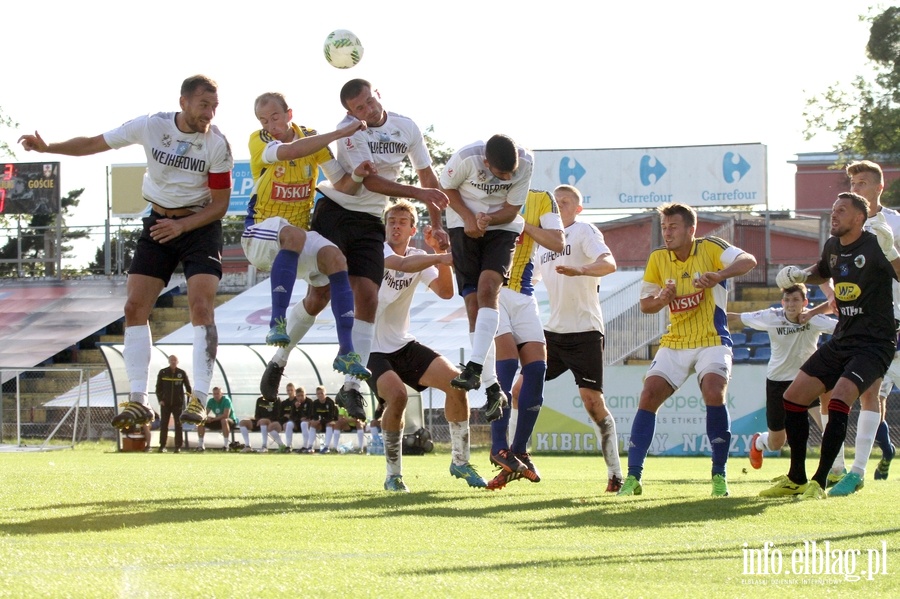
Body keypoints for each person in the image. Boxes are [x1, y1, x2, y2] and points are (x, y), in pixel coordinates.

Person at [19, 75, 234, 431]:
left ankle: (198, 396)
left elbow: (221, 205)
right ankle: (138, 400)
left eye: (214, 107)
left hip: (198, 226)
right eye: (203, 105)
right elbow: (93, 143)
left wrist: (183, 226)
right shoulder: (151, 126)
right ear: (183, 102)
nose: (209, 113)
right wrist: (47, 148)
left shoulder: (217, 144)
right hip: (158, 222)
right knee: (134, 307)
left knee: (201, 306)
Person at [309, 79, 450, 423]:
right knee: (320, 294)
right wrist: (420, 197)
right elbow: (370, 183)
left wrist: (438, 224)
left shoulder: (406, 127)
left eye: (369, 102)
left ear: (378, 96)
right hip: (337, 209)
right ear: (349, 112)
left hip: (368, 218)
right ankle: (280, 357)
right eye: (359, 108)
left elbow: (427, 176)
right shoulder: (349, 130)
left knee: (367, 297)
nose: (367, 111)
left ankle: (352, 385)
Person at [762, 192, 900, 499]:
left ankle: (820, 480)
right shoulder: (833, 246)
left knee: (839, 399)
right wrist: (801, 275)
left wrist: (891, 250)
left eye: (841, 210)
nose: (833, 215)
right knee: (793, 398)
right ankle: (796, 477)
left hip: (874, 343)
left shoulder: (876, 243)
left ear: (859, 218)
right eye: (832, 209)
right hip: (843, 339)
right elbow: (822, 270)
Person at [245, 93, 378, 407]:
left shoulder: (313, 140)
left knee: (335, 260)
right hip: (260, 236)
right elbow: (291, 150)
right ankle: (277, 320)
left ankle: (343, 353)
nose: (270, 125)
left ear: (289, 113)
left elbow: (342, 184)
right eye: (264, 120)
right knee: (292, 233)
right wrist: (338, 134)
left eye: (275, 117)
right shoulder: (259, 140)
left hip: (296, 239)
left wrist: (358, 174)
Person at [618, 203, 757, 497]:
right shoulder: (658, 257)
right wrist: (661, 298)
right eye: (665, 227)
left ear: (691, 229)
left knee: (713, 391)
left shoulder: (710, 247)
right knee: (649, 394)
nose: (667, 233)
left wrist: (719, 275)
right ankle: (633, 478)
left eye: (673, 227)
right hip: (675, 342)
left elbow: (749, 260)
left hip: (712, 339)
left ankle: (719, 476)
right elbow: (646, 305)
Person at [368, 199, 486, 491]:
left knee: (457, 384)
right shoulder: (376, 250)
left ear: (413, 229)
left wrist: (437, 253)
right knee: (397, 397)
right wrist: (442, 257)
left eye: (402, 222)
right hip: (367, 346)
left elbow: (446, 292)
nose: (395, 226)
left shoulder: (421, 256)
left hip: (402, 343)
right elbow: (400, 264)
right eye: (391, 221)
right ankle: (393, 475)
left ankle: (460, 461)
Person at [528, 184, 624, 492]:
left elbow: (609, 264)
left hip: (585, 331)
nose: (558, 206)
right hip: (552, 332)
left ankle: (615, 473)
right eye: (555, 203)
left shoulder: (584, 231)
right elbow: (527, 278)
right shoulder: (544, 243)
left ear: (577, 209)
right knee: (521, 387)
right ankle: (514, 457)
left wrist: (581, 269)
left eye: (565, 202)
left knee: (592, 402)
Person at [440, 135, 534, 424]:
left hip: (501, 226)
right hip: (461, 223)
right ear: (485, 162)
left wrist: (487, 220)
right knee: (472, 306)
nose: (506, 178)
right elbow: (446, 188)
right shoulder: (466, 157)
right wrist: (469, 217)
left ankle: (475, 366)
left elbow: (512, 209)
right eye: (500, 173)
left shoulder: (526, 162)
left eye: (510, 173)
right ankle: (493, 388)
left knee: (488, 289)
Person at [483, 189, 564, 491]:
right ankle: (497, 446)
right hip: (493, 289)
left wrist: (522, 223)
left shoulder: (541, 198)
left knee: (537, 369)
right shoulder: (483, 193)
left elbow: (557, 241)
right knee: (506, 359)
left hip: (524, 294)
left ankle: (518, 450)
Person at [727, 285, 836, 471]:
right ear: (782, 302)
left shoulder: (814, 319)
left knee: (828, 424)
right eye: (787, 300)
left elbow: (843, 329)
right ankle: (760, 442)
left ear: (805, 303)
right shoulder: (772, 317)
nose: (791, 304)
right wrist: (705, 321)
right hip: (778, 383)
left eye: (796, 300)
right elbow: (737, 317)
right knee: (777, 442)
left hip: (808, 381)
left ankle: (837, 469)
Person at [844, 160, 898, 482]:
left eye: (862, 183)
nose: (856, 189)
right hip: (868, 322)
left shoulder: (895, 223)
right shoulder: (850, 226)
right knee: (871, 394)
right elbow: (831, 266)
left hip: (898, 318)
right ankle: (857, 472)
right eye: (853, 184)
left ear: (880, 187)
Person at [155, 355, 191, 453]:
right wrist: (160, 399)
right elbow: (158, 388)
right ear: (169, 361)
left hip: (178, 404)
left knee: (178, 425)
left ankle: (178, 446)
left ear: (177, 361)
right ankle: (162, 446)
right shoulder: (163, 372)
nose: (173, 362)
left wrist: (188, 402)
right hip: (165, 404)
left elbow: (188, 388)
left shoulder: (182, 373)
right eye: (171, 360)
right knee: (164, 424)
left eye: (175, 360)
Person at [197, 386, 235, 451]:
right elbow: (205, 413)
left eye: (218, 393)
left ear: (221, 394)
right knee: (201, 421)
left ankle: (226, 446)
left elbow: (226, 415)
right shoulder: (211, 401)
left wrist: (213, 419)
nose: (216, 395)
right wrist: (206, 418)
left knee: (224, 420)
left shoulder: (226, 400)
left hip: (229, 421)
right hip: (218, 420)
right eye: (214, 394)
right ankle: (201, 445)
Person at [307, 386, 339, 453]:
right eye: (318, 394)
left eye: (322, 393)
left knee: (329, 424)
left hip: (331, 422)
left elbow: (331, 417)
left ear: (325, 393)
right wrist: (314, 421)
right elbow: (314, 415)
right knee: (312, 424)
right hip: (321, 422)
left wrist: (320, 421)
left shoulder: (330, 402)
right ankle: (310, 447)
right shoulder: (315, 403)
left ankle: (326, 447)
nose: (320, 395)